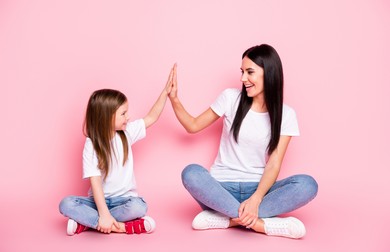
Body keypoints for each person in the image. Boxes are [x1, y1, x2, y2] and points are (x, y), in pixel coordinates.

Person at [168, 44, 318, 239]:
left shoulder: (286, 114)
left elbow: (274, 162)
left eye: (250, 72)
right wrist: (174, 99)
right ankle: (260, 224)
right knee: (191, 173)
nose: (242, 78)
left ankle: (227, 219)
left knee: (308, 185)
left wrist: (256, 199)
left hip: (260, 191)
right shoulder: (230, 98)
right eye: (242, 72)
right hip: (220, 189)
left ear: (269, 73)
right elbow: (193, 125)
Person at [59, 66, 175, 236]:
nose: (128, 117)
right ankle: (122, 227)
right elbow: (95, 182)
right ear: (107, 117)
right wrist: (103, 212)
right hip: (97, 202)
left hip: (124, 201)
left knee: (139, 207)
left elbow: (151, 117)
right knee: (66, 204)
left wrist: (165, 92)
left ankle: (88, 224)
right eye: (123, 113)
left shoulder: (126, 133)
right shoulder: (91, 144)